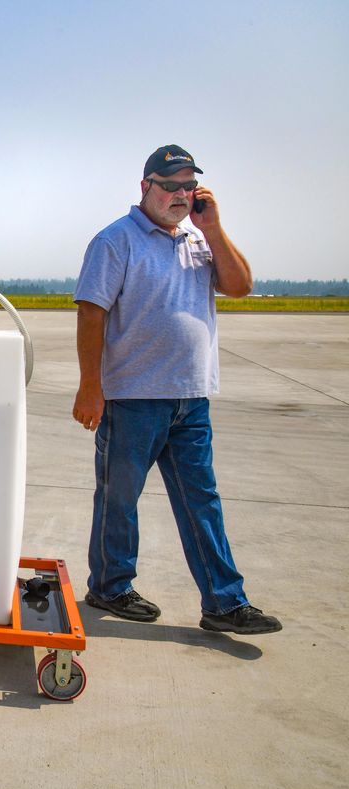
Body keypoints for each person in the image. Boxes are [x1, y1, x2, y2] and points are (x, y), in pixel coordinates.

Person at [71, 144, 281, 635]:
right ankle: (110, 586)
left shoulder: (199, 239)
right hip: (132, 398)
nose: (180, 195)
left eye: (188, 186)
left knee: (201, 500)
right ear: (145, 186)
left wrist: (213, 227)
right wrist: (90, 388)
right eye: (170, 186)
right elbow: (90, 312)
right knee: (119, 498)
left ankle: (225, 602)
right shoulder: (115, 240)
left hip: (191, 398)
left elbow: (240, 285)